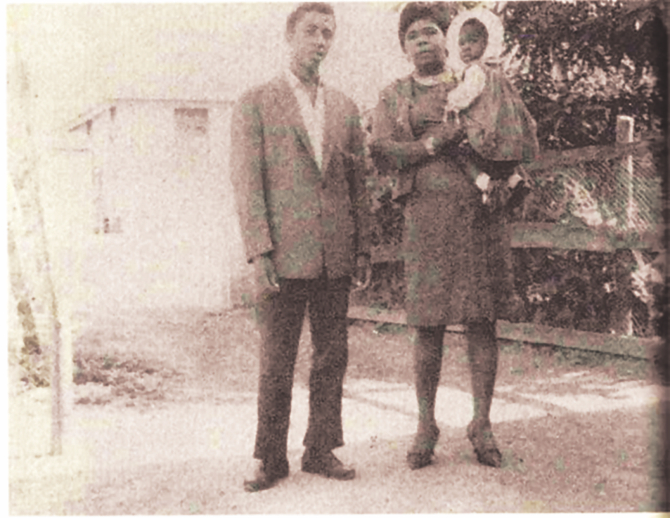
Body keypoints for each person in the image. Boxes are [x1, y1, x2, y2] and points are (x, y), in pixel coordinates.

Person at [369, 2, 535, 471]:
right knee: (428, 325)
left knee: (482, 320)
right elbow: (383, 152)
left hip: (478, 218)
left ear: (448, 38)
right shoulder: (394, 95)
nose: (422, 41)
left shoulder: (475, 81)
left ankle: (481, 424)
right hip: (424, 221)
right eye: (412, 36)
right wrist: (432, 143)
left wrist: (503, 177)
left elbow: (507, 130)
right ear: (403, 47)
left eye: (430, 32)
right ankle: (426, 426)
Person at [230, 2, 372, 492]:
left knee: (332, 354)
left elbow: (359, 184)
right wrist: (259, 250)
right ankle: (269, 457)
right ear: (290, 36)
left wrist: (363, 249)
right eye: (311, 31)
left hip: (334, 253)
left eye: (328, 34)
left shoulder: (346, 108)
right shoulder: (256, 101)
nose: (320, 42)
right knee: (277, 359)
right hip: (282, 255)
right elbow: (247, 183)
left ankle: (321, 448)